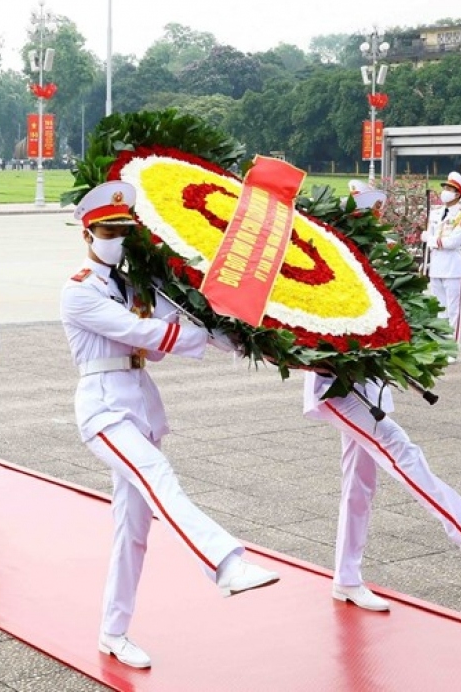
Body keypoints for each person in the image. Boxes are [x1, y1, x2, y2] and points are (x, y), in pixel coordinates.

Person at [60, 181, 278, 670]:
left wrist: (242, 338)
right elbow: (142, 331)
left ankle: (113, 632)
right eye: (107, 230)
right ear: (87, 234)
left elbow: (171, 326)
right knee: (159, 477)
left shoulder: (135, 286)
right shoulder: (77, 291)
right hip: (104, 410)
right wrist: (193, 333)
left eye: (122, 230)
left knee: (132, 531)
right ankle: (225, 563)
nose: (116, 237)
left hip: (140, 405)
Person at [305, 374, 461, 612]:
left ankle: (346, 579)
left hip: (362, 386)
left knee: (359, 483)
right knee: (396, 444)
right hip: (335, 388)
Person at [421, 172, 461, 345]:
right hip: (436, 266)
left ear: (458, 194)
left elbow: (452, 242)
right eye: (445, 188)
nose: (445, 191)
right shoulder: (435, 213)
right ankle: (441, 345)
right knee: (439, 311)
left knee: (453, 311)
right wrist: (426, 264)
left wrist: (431, 239)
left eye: (449, 189)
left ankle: (452, 347)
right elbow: (429, 244)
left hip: (452, 268)